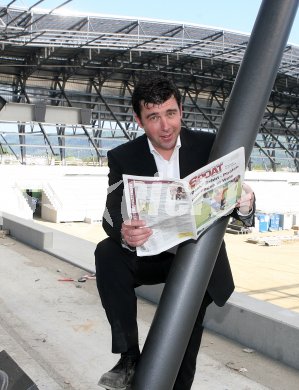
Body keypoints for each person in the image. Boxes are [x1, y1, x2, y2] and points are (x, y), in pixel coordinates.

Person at [95, 75, 255, 390]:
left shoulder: (212, 146)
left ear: (181, 110)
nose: (165, 125)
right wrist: (125, 232)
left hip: (196, 258)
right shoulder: (123, 157)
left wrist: (246, 203)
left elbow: (238, 208)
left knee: (183, 344)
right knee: (107, 251)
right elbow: (110, 213)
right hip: (151, 253)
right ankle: (128, 357)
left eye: (171, 113)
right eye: (154, 117)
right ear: (139, 120)